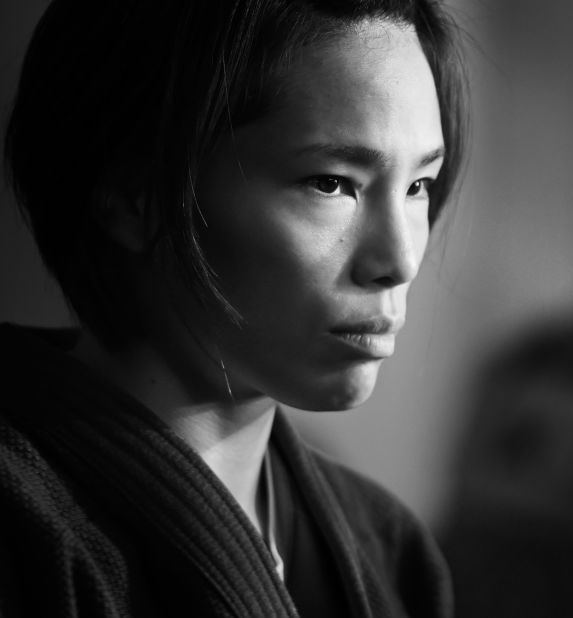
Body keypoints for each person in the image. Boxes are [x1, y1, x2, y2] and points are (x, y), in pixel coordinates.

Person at [0, 0, 467, 616]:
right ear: (133, 199)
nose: (398, 260)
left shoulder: (390, 550)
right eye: (330, 183)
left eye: (417, 187)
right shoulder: (23, 533)